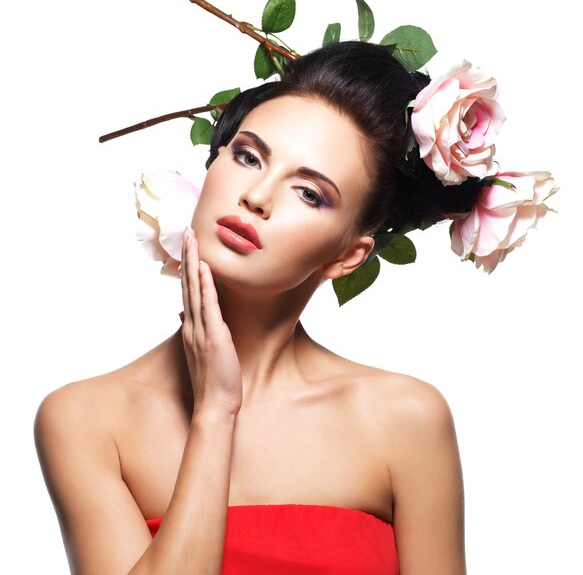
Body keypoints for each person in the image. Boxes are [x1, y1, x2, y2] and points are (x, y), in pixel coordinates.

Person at [35, 40, 508, 575]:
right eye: (247, 156)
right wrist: (214, 413)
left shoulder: (405, 421)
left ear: (348, 255)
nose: (257, 195)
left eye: (310, 193)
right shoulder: (85, 420)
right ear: (211, 167)